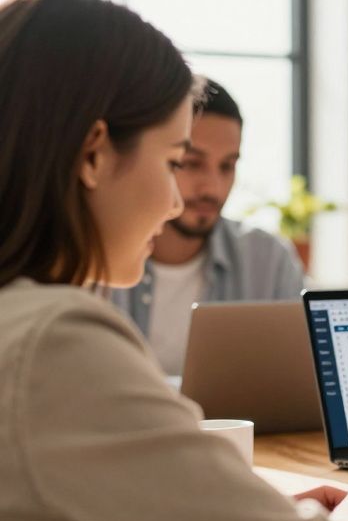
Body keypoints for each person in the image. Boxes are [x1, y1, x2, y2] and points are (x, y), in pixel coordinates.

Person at [0, 0, 348, 521]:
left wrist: (241, 520)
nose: (176, 201)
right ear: (92, 153)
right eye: (173, 162)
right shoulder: (57, 340)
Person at [111, 79, 303, 375]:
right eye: (191, 163)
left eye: (227, 166)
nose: (212, 188)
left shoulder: (268, 260)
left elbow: (301, 379)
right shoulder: (100, 261)